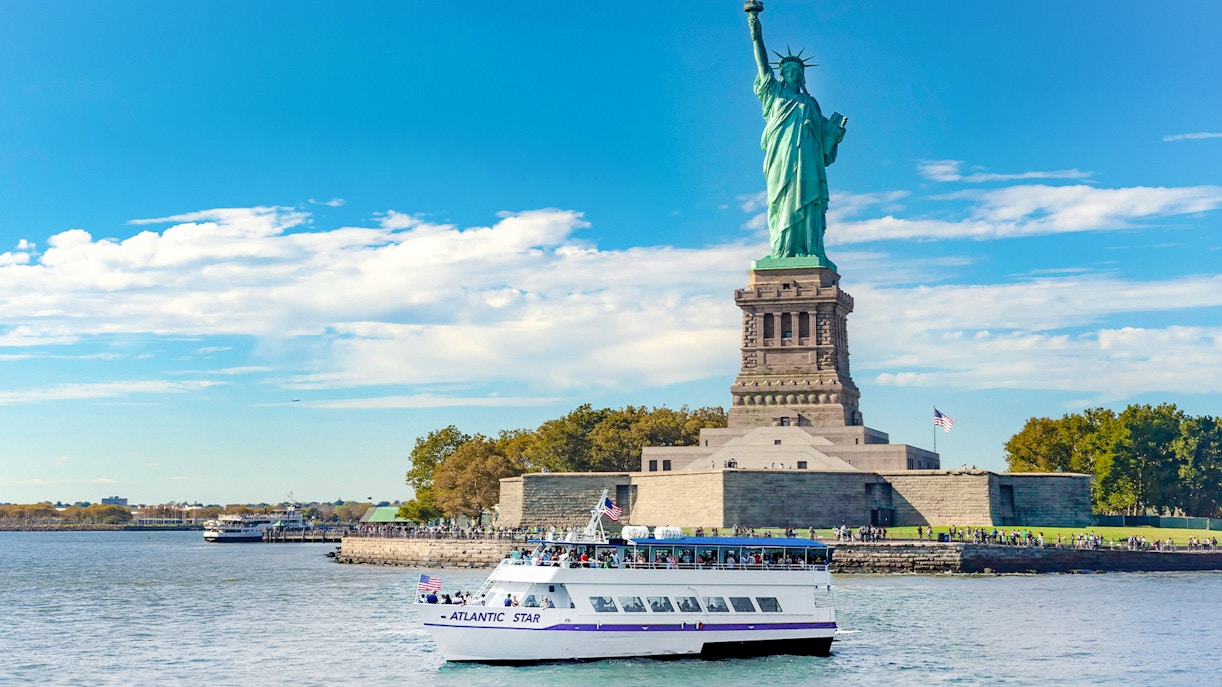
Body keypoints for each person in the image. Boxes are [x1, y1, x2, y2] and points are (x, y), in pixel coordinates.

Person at [746, 4, 847, 264]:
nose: (791, 75)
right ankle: (782, 249)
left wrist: (834, 134)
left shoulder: (811, 104)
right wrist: (755, 31)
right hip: (781, 158)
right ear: (781, 75)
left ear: (802, 77)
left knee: (808, 201)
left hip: (809, 163)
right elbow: (761, 63)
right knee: (781, 202)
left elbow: (825, 145)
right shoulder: (774, 95)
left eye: (796, 72)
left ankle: (810, 248)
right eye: (787, 72)